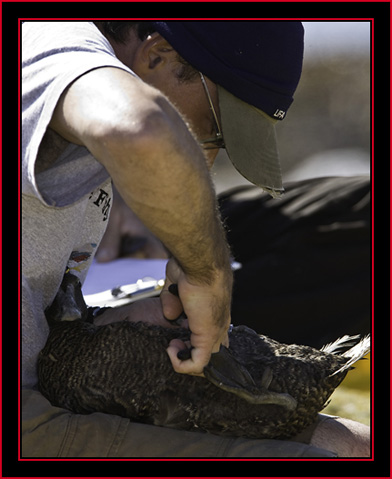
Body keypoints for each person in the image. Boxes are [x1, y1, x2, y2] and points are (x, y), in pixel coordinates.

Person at [21, 20, 369, 458]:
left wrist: (117, 321)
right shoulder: (55, 48)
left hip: (47, 380)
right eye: (212, 130)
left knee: (355, 445)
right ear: (157, 55)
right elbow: (142, 130)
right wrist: (207, 271)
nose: (206, 157)